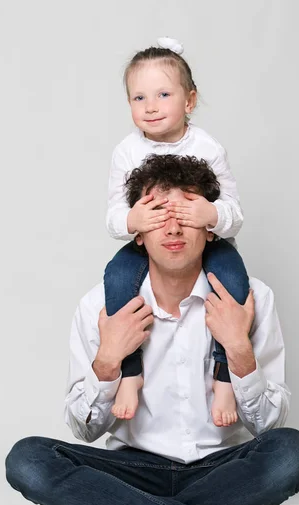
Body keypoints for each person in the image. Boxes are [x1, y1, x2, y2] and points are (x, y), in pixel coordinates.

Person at [5, 154, 299, 505]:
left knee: (293, 452)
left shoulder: (252, 299)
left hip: (220, 468)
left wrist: (239, 348)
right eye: (156, 215)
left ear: (211, 228)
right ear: (137, 233)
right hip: (132, 469)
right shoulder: (99, 305)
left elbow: (269, 424)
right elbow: (84, 430)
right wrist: (108, 361)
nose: (172, 227)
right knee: (28, 459)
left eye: (187, 213)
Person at [104, 37, 249, 426]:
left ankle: (223, 377)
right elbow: (114, 216)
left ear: (189, 101)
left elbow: (234, 213)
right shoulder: (126, 152)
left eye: (163, 94)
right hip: (147, 245)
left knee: (234, 281)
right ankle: (130, 372)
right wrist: (134, 221)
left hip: (206, 242)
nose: (150, 106)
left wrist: (209, 212)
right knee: (116, 277)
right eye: (138, 98)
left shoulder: (207, 147)